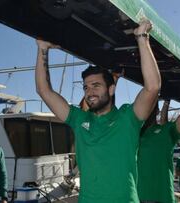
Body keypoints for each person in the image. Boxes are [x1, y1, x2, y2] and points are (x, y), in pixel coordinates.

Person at [35, 20, 160, 203]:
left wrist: (142, 38)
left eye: (96, 86)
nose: (89, 92)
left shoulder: (128, 117)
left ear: (111, 89)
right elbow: (44, 91)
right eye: (85, 87)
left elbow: (153, 87)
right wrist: (42, 49)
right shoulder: (79, 119)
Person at [137, 74, 180, 203]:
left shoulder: (166, 131)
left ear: (156, 111)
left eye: (150, 106)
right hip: (136, 197)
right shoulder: (134, 132)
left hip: (162, 197)